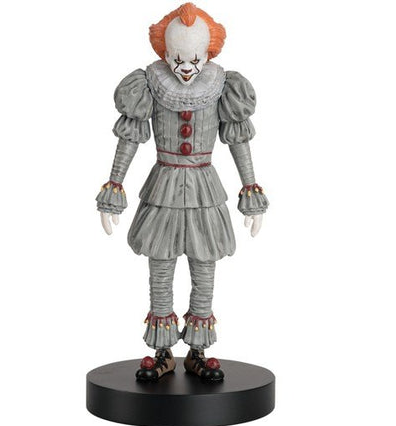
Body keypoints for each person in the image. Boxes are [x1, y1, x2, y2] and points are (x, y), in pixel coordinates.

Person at [96, 2, 269, 381]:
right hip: (164, 186)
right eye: (177, 58)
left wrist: (250, 190)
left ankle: (197, 350)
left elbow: (238, 141)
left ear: (208, 53)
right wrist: (114, 186)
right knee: (160, 265)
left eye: (194, 59)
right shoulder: (149, 84)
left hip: (205, 188)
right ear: (165, 53)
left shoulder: (223, 86)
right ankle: (162, 352)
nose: (186, 68)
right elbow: (130, 137)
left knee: (205, 266)